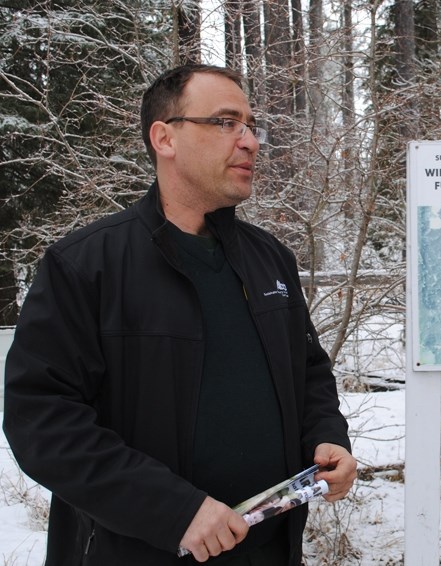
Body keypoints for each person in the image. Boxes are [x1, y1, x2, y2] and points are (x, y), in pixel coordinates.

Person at [2, 64, 357, 565]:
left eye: (252, 125)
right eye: (226, 122)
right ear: (164, 137)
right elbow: (42, 422)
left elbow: (309, 372)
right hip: (134, 551)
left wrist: (326, 436)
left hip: (266, 549)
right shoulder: (85, 265)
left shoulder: (269, 259)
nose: (250, 141)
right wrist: (176, 511)